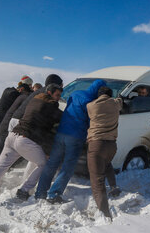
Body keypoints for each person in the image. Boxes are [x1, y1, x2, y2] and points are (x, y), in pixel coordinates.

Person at [0, 84, 63, 208]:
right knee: (42, 163)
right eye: (57, 95)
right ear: (49, 93)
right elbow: (55, 123)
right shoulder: (51, 106)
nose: (59, 98)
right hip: (25, 140)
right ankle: (24, 190)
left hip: (11, 137)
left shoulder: (35, 100)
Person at [35, 79, 106, 203]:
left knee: (52, 163)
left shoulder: (75, 94)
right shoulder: (91, 102)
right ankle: (54, 194)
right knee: (68, 166)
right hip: (75, 136)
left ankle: (40, 192)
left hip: (61, 132)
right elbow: (91, 122)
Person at [86, 86, 123, 219]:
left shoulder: (91, 105)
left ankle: (105, 213)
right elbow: (120, 101)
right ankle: (114, 187)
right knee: (107, 164)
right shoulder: (116, 104)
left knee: (97, 181)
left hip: (96, 144)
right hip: (112, 145)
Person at [9, 74, 63, 151]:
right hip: (22, 123)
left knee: (14, 150)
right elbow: (53, 110)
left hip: (17, 120)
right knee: (28, 149)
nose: (59, 97)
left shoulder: (39, 91)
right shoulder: (47, 93)